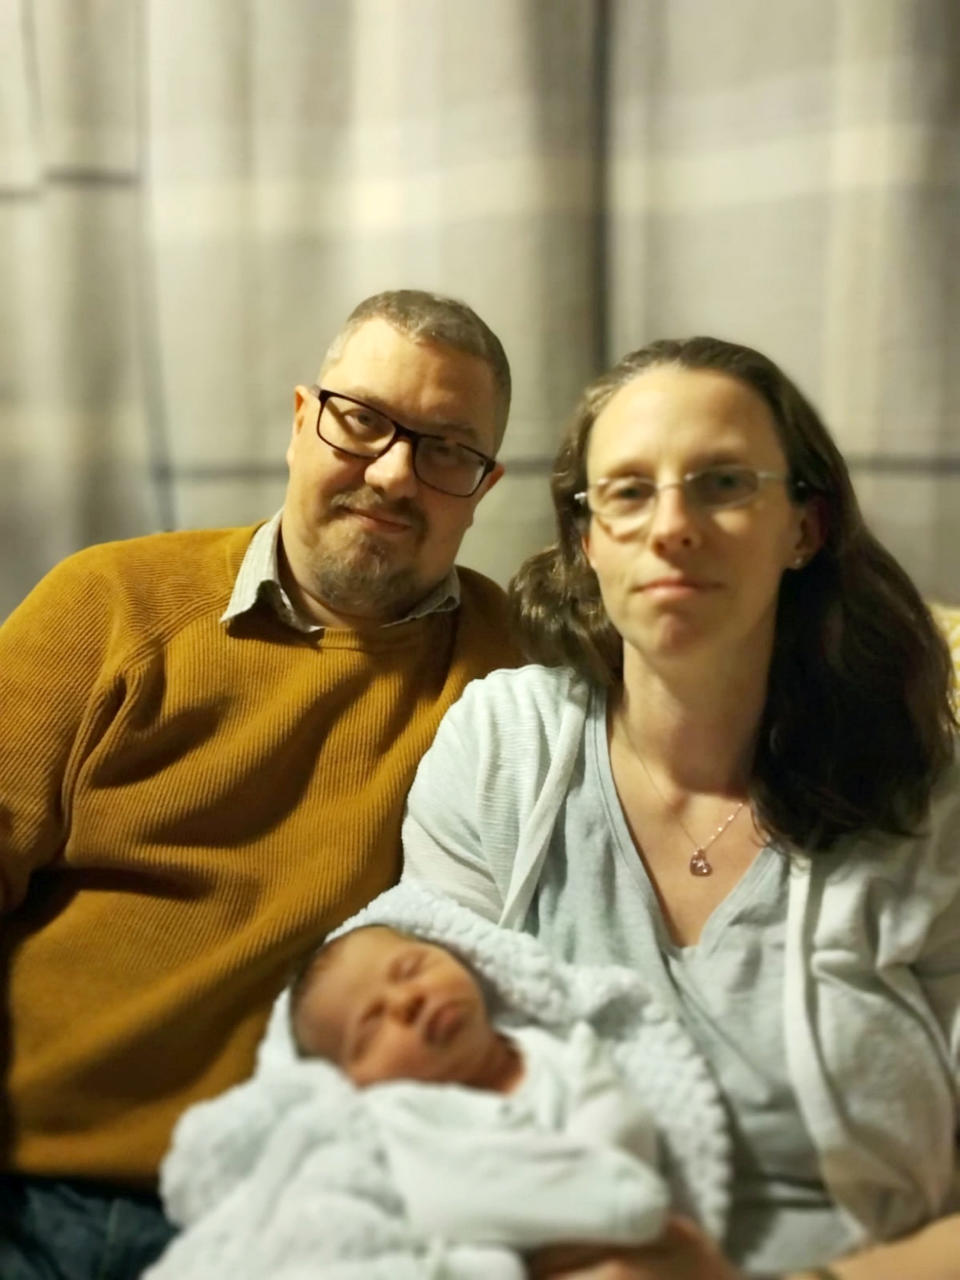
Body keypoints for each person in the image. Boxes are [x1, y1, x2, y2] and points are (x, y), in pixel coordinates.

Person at [400, 336, 960, 1280]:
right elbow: (406, 1099)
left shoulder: (926, 798)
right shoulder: (502, 748)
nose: (671, 526)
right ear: (587, 539)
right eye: (626, 491)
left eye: (723, 483)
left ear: (804, 528)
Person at [0, 290, 520, 1279]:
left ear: (484, 484)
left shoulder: (517, 674)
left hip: (298, 1225)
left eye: (448, 448)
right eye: (361, 420)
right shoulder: (111, 604)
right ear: (299, 421)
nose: (395, 471)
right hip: (29, 1193)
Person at [145, 880, 731, 1280]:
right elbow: (444, 1197)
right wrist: (592, 1207)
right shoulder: (397, 1119)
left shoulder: (561, 1050)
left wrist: (607, 1196)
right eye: (370, 1025)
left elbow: (619, 1125)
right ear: (355, 1081)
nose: (406, 1001)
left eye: (411, 968)